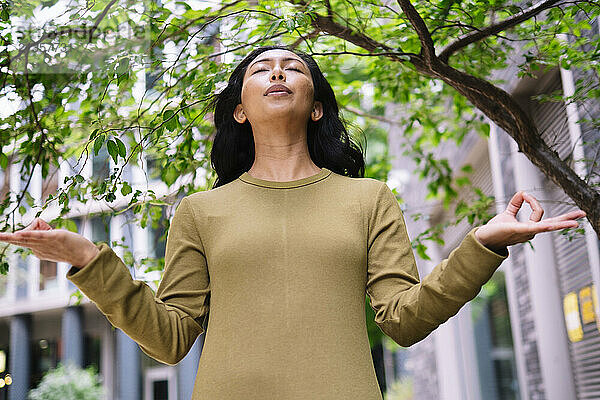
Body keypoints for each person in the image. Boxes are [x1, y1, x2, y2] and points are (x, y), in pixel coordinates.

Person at [0, 45, 586, 399]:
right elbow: (171, 337)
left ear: (319, 102)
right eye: (262, 70)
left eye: (293, 68)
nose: (278, 73)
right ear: (239, 107)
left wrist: (481, 245)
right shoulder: (200, 211)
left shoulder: (369, 198)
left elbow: (403, 321)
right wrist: (88, 260)